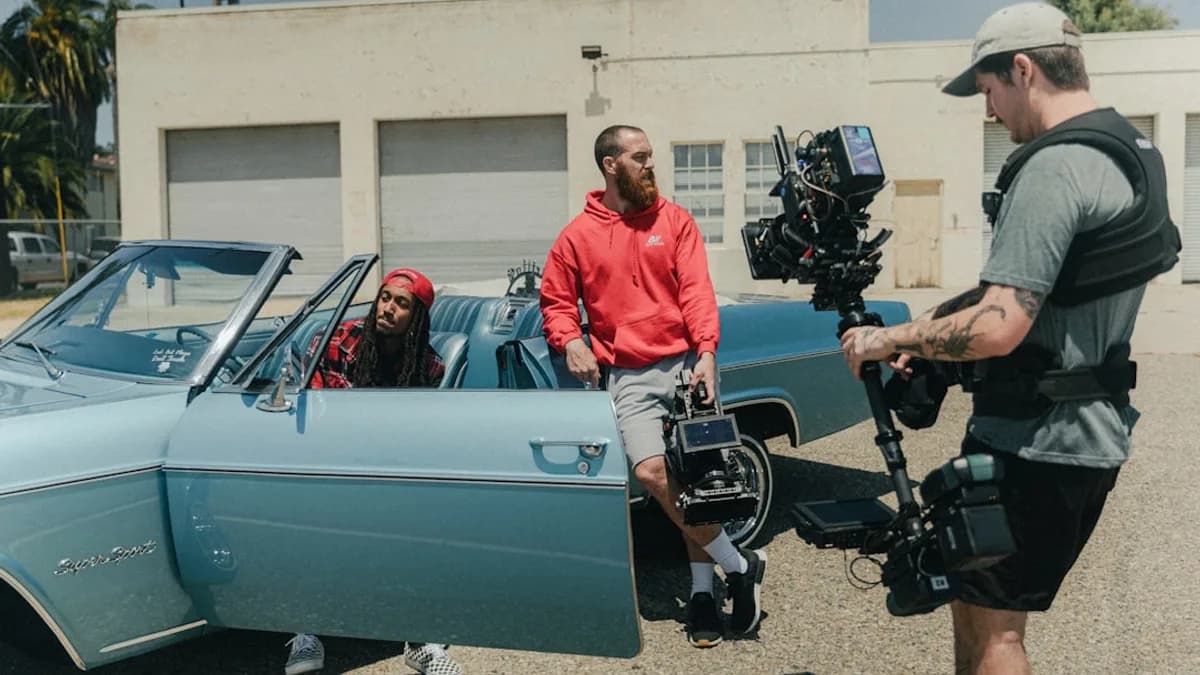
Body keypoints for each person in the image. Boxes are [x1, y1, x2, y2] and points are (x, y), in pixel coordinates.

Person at [839, 4, 1181, 674]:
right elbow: (1053, 289)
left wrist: (892, 339)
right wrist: (938, 331)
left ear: (1023, 69)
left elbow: (1000, 325)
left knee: (997, 635)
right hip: (1090, 431)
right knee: (979, 607)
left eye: (990, 90)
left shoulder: (1054, 166)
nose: (991, 111)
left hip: (1035, 441)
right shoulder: (1130, 152)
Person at [540, 125, 768, 648]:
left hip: (688, 363)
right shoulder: (576, 236)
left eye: (650, 157)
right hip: (629, 373)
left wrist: (707, 353)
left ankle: (705, 594)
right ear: (610, 165)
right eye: (639, 157)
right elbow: (554, 302)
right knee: (651, 470)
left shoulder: (676, 221)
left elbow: (696, 292)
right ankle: (739, 564)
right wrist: (571, 340)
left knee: (699, 480)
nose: (650, 165)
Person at [284, 267, 459, 675]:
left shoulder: (429, 367)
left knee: (428, 522)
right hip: (330, 464)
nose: (387, 309)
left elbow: (419, 437)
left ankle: (421, 640)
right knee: (311, 521)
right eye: (385, 298)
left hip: (390, 471)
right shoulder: (335, 342)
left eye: (401, 304)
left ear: (417, 317)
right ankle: (307, 631)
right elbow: (314, 419)